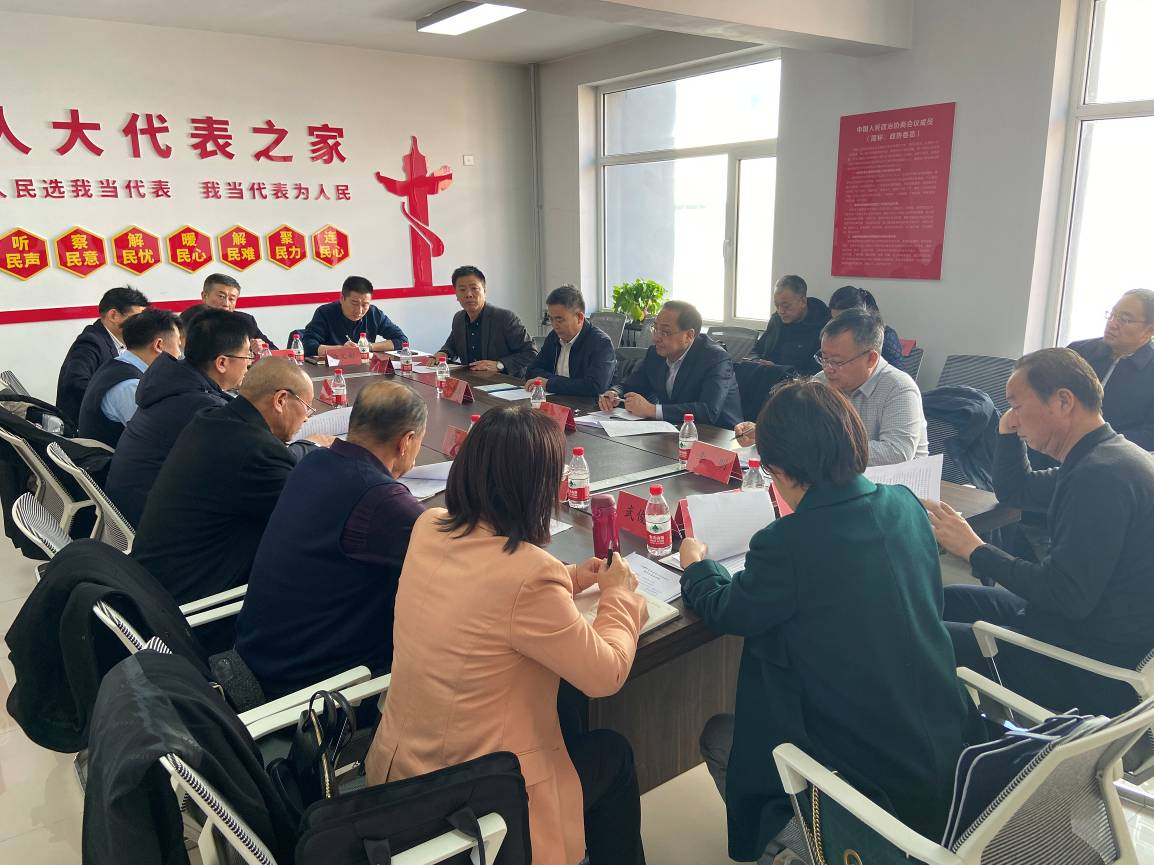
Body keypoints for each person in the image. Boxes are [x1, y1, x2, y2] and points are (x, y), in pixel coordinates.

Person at [681, 379, 974, 864]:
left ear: (780, 471)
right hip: (950, 759)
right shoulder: (904, 504)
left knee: (720, 737)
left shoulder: (788, 541)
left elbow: (728, 609)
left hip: (873, 799)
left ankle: (802, 847)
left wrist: (698, 567)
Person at [365, 406, 648, 865]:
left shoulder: (429, 525)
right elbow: (606, 674)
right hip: (475, 800)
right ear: (536, 489)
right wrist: (619, 595)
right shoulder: (528, 575)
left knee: (562, 707)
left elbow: (484, 588)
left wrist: (573, 576)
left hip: (399, 775)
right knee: (612, 755)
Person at [928, 348, 1154, 717]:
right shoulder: (1105, 456)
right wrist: (1007, 432)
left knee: (919, 638)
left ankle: (947, 735)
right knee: (947, 599)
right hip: (1076, 625)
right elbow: (1016, 491)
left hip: (1087, 666)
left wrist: (975, 549)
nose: (1013, 418)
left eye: (1016, 406)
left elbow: (1065, 595)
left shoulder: (1100, 478)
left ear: (1063, 401)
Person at [236, 381, 427, 698]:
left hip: (260, 654)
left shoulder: (313, 462)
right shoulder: (379, 499)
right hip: (312, 690)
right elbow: (453, 555)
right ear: (406, 441)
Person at [130, 357, 329, 605]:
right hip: (193, 605)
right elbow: (314, 520)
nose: (307, 417)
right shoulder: (258, 452)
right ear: (280, 400)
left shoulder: (210, 421)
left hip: (153, 581)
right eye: (307, 407)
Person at [105, 309, 253, 527]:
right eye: (247, 355)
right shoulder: (202, 408)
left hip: (133, 512)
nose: (249, 363)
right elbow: (249, 465)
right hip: (154, 526)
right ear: (221, 363)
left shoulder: (172, 383)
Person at [735, 311, 927, 465]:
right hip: (841, 482)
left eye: (836, 361)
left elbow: (897, 452)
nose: (828, 369)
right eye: (824, 358)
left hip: (897, 489)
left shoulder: (899, 388)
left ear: (871, 359)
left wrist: (825, 449)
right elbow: (796, 426)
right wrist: (764, 432)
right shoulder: (822, 381)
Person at [597, 300, 742, 428]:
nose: (655, 338)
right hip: (675, 431)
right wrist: (614, 393)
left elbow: (708, 411)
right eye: (655, 329)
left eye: (665, 332)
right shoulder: (655, 354)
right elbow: (631, 384)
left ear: (689, 335)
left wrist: (652, 410)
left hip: (720, 436)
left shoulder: (715, 359)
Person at [77, 309, 183, 448]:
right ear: (158, 345)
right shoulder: (131, 386)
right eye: (178, 345)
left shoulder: (117, 364)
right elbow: (160, 437)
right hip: (110, 460)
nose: (179, 353)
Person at [1068, 288, 1154, 450]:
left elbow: (1150, 435)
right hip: (1058, 446)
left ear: (1149, 330)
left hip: (1116, 457)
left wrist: (1094, 440)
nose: (1112, 324)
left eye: (1124, 319)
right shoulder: (1077, 352)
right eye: (1112, 315)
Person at [56, 286, 150, 426]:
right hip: (86, 428)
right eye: (137, 318)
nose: (143, 325)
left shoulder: (120, 343)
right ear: (113, 315)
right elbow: (76, 382)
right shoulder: (91, 341)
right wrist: (114, 399)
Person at [438, 265, 537, 376]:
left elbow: (531, 353)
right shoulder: (459, 318)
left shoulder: (504, 318)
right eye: (462, 290)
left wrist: (500, 365)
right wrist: (443, 353)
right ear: (456, 294)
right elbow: (451, 345)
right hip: (471, 380)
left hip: (504, 382)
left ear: (484, 291)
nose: (468, 295)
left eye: (474, 288)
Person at [524, 284, 616, 396]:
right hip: (555, 400)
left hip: (585, 405)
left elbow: (594, 386)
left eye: (559, 320)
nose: (554, 325)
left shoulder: (600, 343)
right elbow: (531, 371)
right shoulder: (554, 336)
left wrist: (549, 383)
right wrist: (563, 383)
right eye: (551, 319)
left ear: (579, 318)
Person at [301, 275, 408, 357]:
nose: (359, 311)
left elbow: (402, 341)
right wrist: (341, 349)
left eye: (365, 304)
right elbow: (307, 346)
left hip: (365, 368)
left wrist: (368, 346)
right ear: (342, 298)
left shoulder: (374, 314)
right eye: (354, 303)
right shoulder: (325, 313)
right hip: (330, 370)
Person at [750, 275, 830, 374]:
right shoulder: (776, 320)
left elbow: (817, 373)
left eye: (786, 306)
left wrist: (778, 370)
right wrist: (755, 361)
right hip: (767, 376)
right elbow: (756, 350)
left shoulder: (824, 327)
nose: (780, 311)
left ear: (803, 302)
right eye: (777, 305)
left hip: (798, 381)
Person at [828, 284, 904, 370]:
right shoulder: (836, 336)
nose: (838, 326)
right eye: (834, 320)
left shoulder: (886, 337)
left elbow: (897, 373)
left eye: (844, 321)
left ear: (861, 313)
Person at [198, 273, 278, 349]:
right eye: (221, 296)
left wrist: (261, 349)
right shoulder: (193, 322)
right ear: (204, 296)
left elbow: (274, 350)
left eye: (231, 299)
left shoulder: (245, 321)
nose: (226, 304)